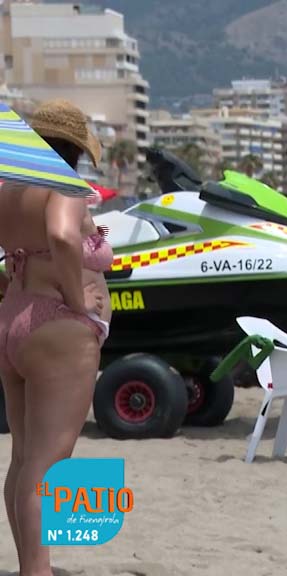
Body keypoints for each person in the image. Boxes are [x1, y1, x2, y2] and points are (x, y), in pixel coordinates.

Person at [0, 99, 112, 576]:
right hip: (57, 328)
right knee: (47, 464)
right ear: (74, 149)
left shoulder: (7, 189)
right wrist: (78, 301)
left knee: (24, 457)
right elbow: (64, 237)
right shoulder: (61, 183)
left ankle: (30, 566)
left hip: (13, 319)